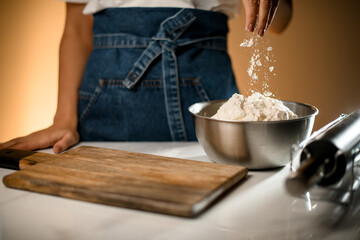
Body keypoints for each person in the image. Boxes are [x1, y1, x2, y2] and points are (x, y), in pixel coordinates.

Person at [0, 0, 292, 153]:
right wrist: (63, 119)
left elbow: (281, 19)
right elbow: (76, 29)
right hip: (107, 94)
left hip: (209, 95)